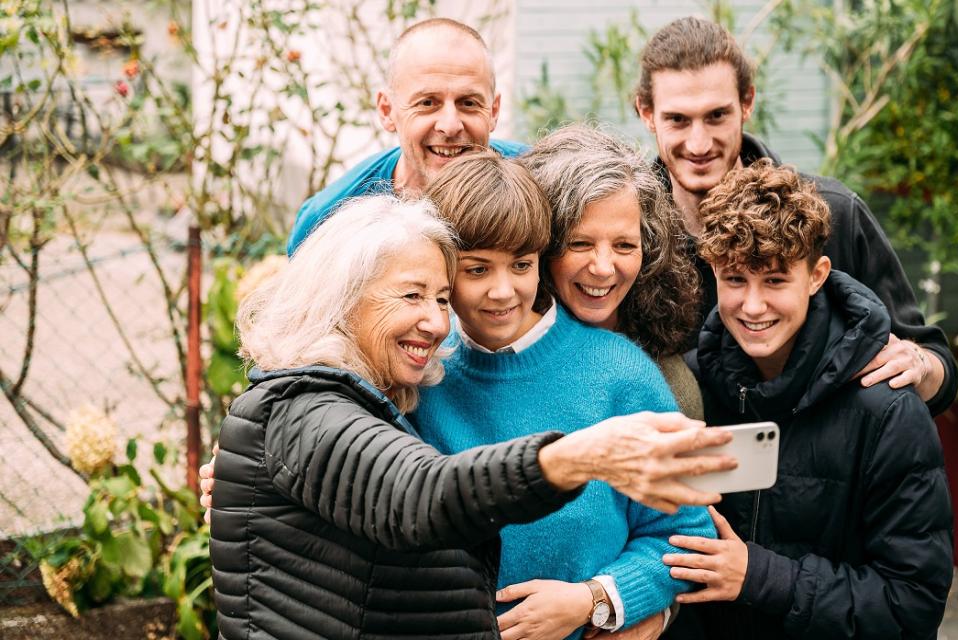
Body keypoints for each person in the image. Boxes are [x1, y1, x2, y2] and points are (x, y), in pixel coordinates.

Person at [209, 195, 738, 640]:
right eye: (413, 295)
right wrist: (574, 456)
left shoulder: (387, 390)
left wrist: (600, 600)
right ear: (343, 300)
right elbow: (420, 493)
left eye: (440, 298)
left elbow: (680, 534)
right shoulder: (315, 406)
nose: (437, 322)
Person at [417, 151, 711, 640]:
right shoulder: (422, 369)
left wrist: (594, 599)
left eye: (521, 265)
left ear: (541, 260)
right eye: (476, 270)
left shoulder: (622, 372)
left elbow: (684, 534)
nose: (503, 291)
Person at [662, 160, 954, 639]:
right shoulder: (692, 389)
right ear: (713, 270)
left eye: (775, 281)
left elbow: (912, 605)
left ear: (817, 275)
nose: (753, 306)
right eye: (735, 280)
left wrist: (759, 576)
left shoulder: (887, 410)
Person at [633, 17, 958, 416]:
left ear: (747, 103)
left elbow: (935, 364)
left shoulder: (833, 213)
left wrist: (921, 366)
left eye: (717, 115)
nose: (699, 142)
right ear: (646, 113)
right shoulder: (628, 236)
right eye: (678, 120)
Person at [286, 17, 525, 255]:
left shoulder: (537, 182)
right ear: (387, 110)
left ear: (493, 111)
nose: (450, 126)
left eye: (469, 103)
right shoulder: (330, 221)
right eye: (428, 102)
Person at [520, 123, 703, 419]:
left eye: (624, 246)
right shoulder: (498, 349)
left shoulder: (668, 384)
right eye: (579, 243)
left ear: (650, 249)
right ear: (540, 245)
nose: (603, 268)